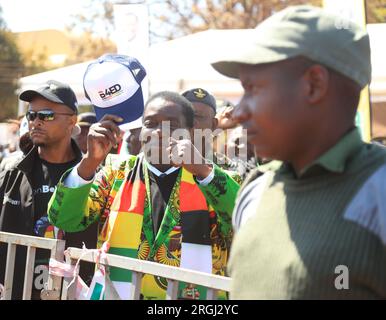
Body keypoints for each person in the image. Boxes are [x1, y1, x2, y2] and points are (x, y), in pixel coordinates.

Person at [211, 5, 386, 299]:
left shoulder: (378, 192)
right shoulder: (256, 190)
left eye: (251, 89)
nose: (238, 112)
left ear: (314, 85)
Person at [47, 91, 240, 300]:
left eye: (172, 126)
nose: (159, 132)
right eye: (151, 123)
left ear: (190, 132)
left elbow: (243, 224)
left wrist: (203, 172)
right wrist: (89, 162)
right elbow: (64, 219)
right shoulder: (116, 172)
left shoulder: (213, 178)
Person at [0, 80, 97, 299]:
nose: (36, 122)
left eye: (46, 115)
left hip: (70, 292)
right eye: (31, 115)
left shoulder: (92, 175)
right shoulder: (10, 170)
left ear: (72, 121)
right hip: (14, 291)